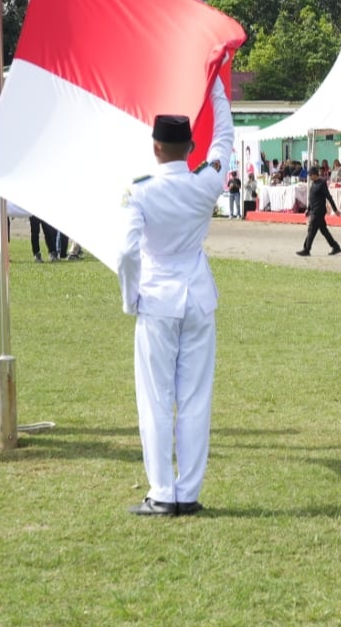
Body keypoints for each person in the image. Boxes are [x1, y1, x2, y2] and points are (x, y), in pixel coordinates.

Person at [117, 78, 233, 516]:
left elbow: (127, 252)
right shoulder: (206, 182)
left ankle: (162, 492)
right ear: (190, 147)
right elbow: (225, 137)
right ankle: (188, 491)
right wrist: (216, 87)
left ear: (156, 148)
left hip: (157, 298)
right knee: (195, 399)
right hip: (198, 297)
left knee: (156, 399)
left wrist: (130, 297)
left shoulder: (140, 190)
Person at [298, 168, 341, 256]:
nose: (310, 177)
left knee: (311, 229)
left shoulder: (322, 184)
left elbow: (329, 197)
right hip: (314, 210)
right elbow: (312, 198)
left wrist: (335, 209)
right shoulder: (313, 183)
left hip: (319, 211)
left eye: (310, 175)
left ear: (315, 174)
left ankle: (306, 249)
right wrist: (308, 209)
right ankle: (335, 247)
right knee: (323, 230)